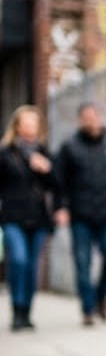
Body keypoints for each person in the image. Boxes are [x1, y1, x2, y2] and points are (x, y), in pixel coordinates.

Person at [54, 102, 106, 325]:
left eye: (94, 116)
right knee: (83, 264)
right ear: (80, 120)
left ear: (100, 117)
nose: (91, 120)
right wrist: (60, 207)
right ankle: (88, 309)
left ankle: (101, 296)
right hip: (80, 215)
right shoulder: (69, 147)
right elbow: (58, 181)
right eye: (86, 117)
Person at [0, 105, 57, 331]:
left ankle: (26, 313)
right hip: (13, 217)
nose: (30, 128)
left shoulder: (44, 152)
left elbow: (57, 186)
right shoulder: (5, 153)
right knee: (19, 261)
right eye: (25, 124)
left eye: (33, 124)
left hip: (39, 218)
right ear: (17, 127)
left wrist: (47, 170)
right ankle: (16, 310)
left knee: (32, 267)